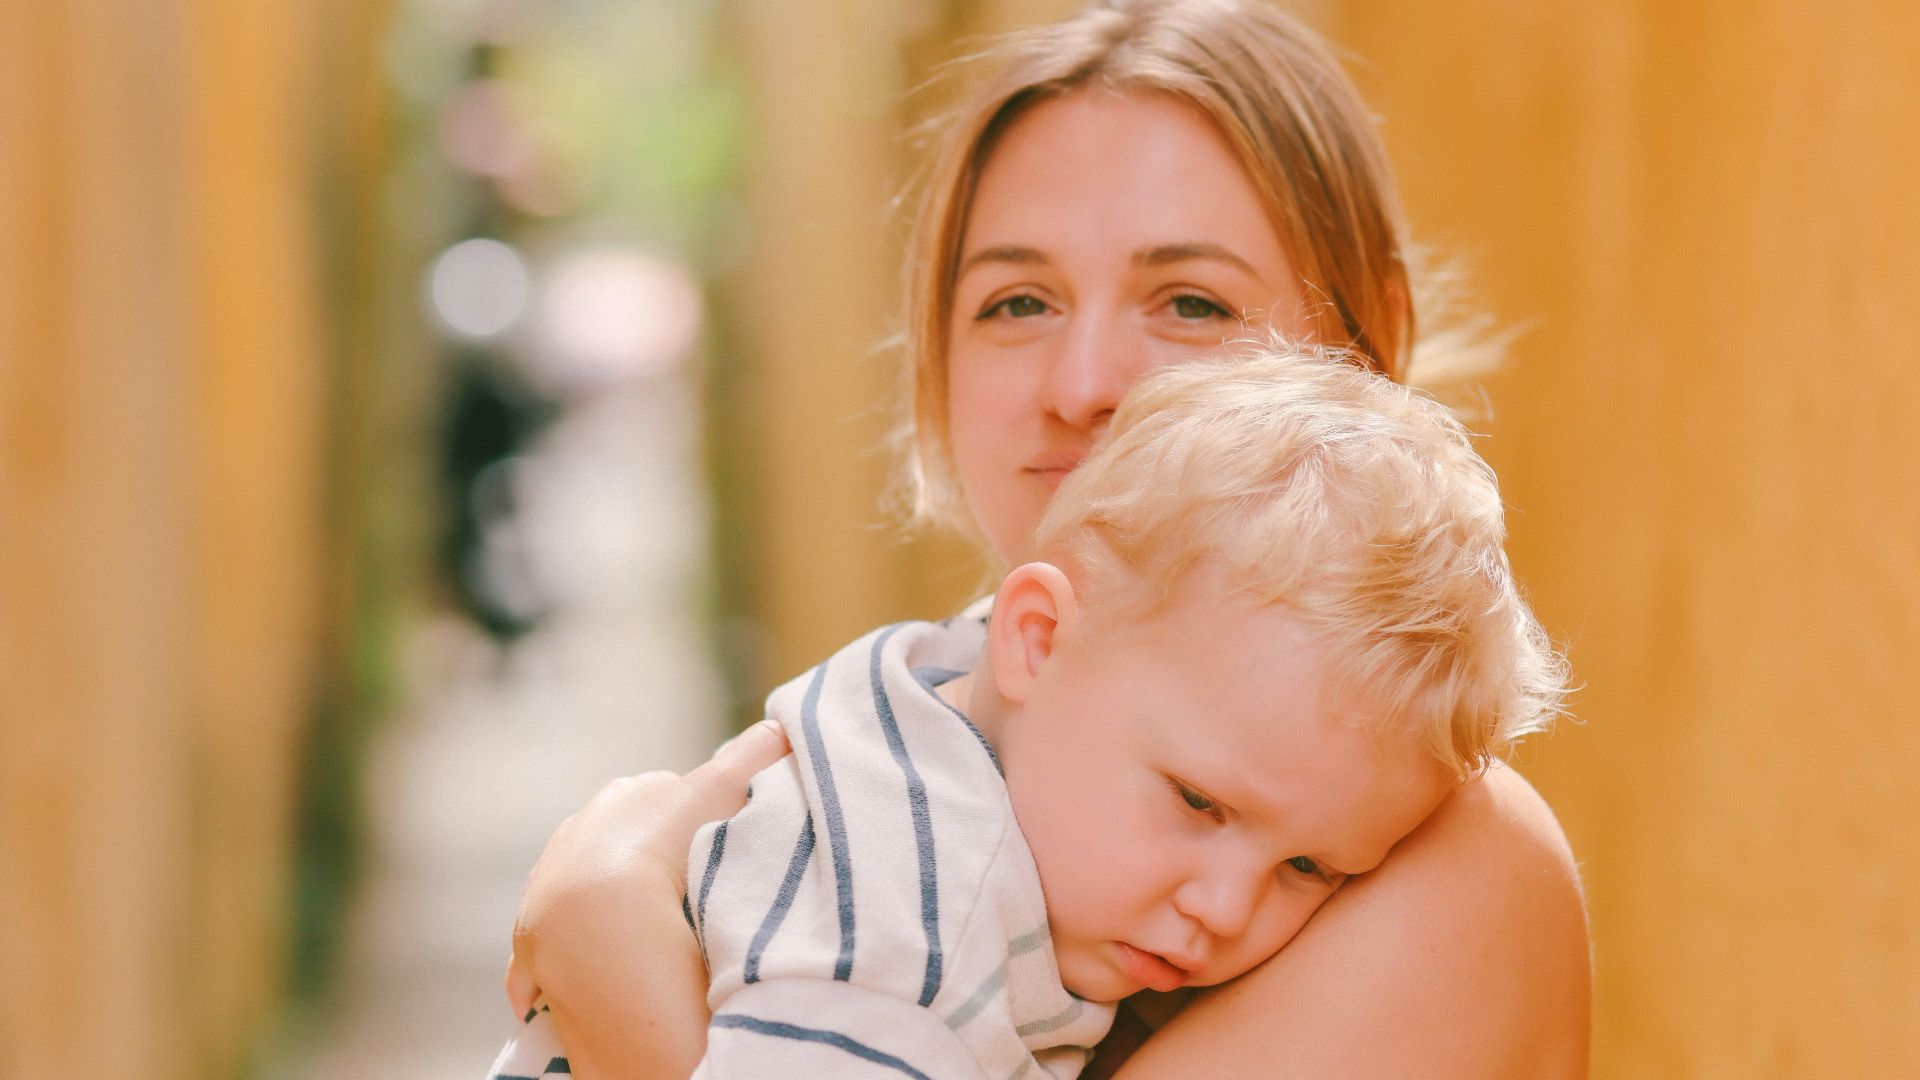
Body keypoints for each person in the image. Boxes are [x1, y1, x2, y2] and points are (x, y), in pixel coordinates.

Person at [505, 1, 1594, 1077]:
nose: (1082, 387)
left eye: (1192, 304)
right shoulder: (911, 756)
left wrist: (613, 945)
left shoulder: (1455, 872)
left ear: (1364, 348)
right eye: (1019, 303)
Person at [489, 348, 1567, 1080]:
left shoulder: (967, 693)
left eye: (1310, 871)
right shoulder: (912, 942)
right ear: (1035, 637)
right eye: (1198, 803)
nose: (1227, 908)